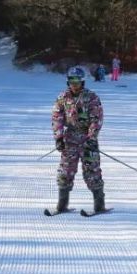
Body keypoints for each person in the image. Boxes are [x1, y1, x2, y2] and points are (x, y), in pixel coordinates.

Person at [50, 67, 106, 214]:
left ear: (82, 81)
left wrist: (92, 137)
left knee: (91, 170)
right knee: (65, 171)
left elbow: (97, 118)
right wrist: (59, 137)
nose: (74, 84)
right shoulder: (62, 98)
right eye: (71, 81)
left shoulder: (91, 97)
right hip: (70, 139)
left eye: (77, 81)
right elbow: (57, 118)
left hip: (87, 139)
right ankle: (62, 204)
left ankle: (99, 204)